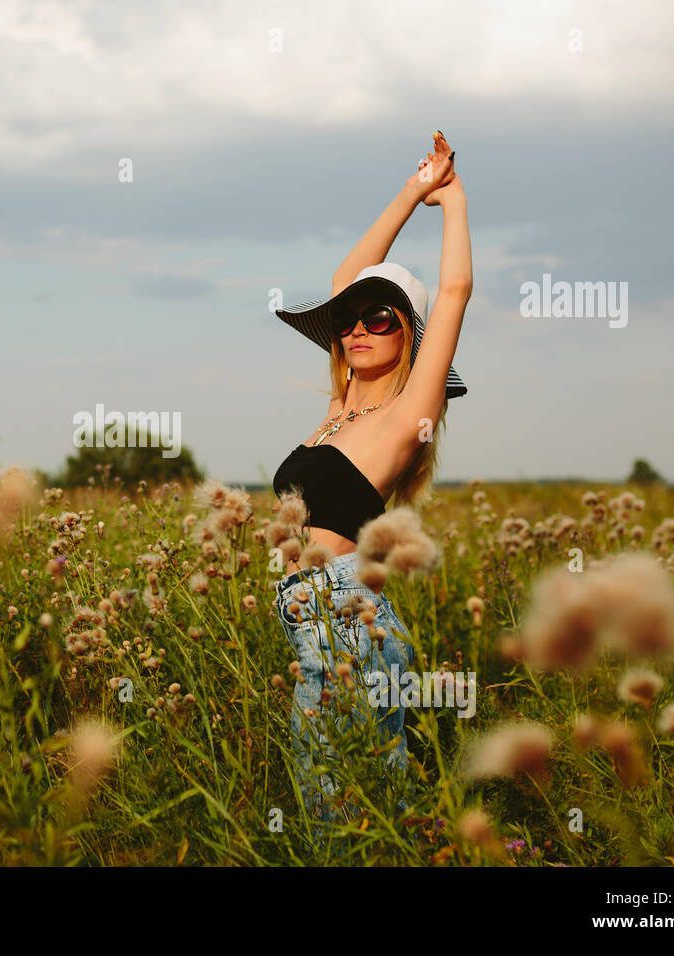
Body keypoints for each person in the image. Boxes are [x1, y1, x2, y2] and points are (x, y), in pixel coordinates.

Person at [270, 131, 472, 825]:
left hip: (348, 614)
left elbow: (452, 291)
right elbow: (344, 279)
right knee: (344, 803)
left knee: (347, 812)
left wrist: (451, 202)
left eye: (379, 318)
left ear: (407, 335)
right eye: (349, 323)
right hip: (312, 618)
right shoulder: (336, 413)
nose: (359, 327)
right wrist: (413, 187)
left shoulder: (405, 413)